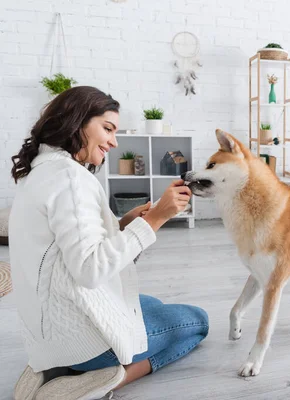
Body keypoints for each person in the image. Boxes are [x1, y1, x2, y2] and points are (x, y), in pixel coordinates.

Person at [10, 86, 209, 400]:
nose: (114, 142)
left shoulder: (42, 172)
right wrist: (155, 219)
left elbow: (68, 251)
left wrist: (123, 224)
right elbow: (91, 270)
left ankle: (54, 369)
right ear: (77, 122)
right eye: (107, 129)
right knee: (198, 320)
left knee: (151, 305)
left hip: (47, 334)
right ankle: (105, 379)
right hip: (84, 344)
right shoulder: (72, 179)